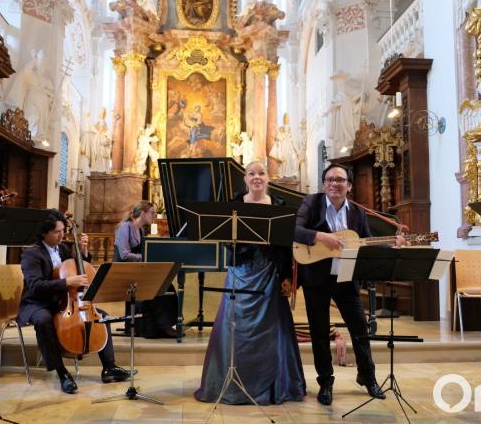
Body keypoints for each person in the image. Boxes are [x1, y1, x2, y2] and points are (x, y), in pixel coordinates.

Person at [195, 161, 306, 405]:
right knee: (236, 325)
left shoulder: (279, 206)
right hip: (242, 272)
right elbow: (225, 240)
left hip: (271, 274)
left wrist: (288, 276)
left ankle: (275, 387)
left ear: (269, 178)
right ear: (245, 179)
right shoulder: (234, 205)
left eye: (262, 173)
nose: (257, 177)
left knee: (272, 329)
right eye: (252, 173)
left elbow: (287, 245)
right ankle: (231, 383)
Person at [294, 164, 405, 405]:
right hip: (316, 278)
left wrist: (390, 245)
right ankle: (326, 382)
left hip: (346, 278)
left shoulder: (356, 212)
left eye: (340, 180)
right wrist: (321, 236)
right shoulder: (311, 203)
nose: (334, 183)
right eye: (330, 179)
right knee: (320, 333)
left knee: (360, 330)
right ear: (324, 184)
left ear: (349, 186)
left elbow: (364, 242)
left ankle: (367, 376)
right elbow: (294, 230)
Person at [18, 209, 132, 394]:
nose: (62, 235)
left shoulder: (62, 249)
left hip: (63, 301)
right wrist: (67, 282)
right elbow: (35, 286)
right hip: (38, 302)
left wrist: (84, 252)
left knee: (102, 316)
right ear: (44, 233)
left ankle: (109, 367)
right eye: (57, 232)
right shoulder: (32, 254)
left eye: (64, 230)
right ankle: (62, 372)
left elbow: (79, 269)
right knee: (43, 320)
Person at [114, 201, 179, 339]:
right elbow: (124, 255)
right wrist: (145, 256)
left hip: (137, 271)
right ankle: (160, 326)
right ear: (143, 214)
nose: (154, 216)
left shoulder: (141, 230)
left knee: (167, 285)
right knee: (153, 286)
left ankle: (163, 325)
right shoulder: (125, 227)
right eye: (152, 213)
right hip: (124, 272)